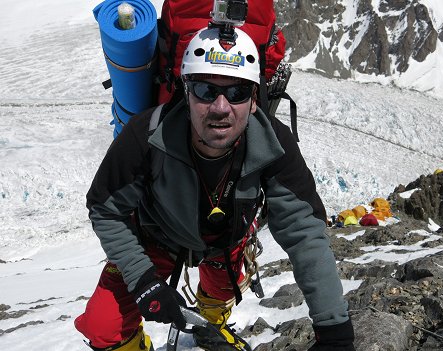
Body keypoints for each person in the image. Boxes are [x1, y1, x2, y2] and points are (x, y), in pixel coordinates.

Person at [75, 26, 355, 351]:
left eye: (236, 93)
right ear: (187, 92)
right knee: (102, 325)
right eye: (207, 91)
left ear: (253, 100)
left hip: (224, 243)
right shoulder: (146, 136)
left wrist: (334, 330)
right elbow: (106, 210)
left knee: (221, 291)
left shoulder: (273, 144)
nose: (221, 107)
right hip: (155, 241)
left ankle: (213, 324)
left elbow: (305, 233)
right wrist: (143, 281)